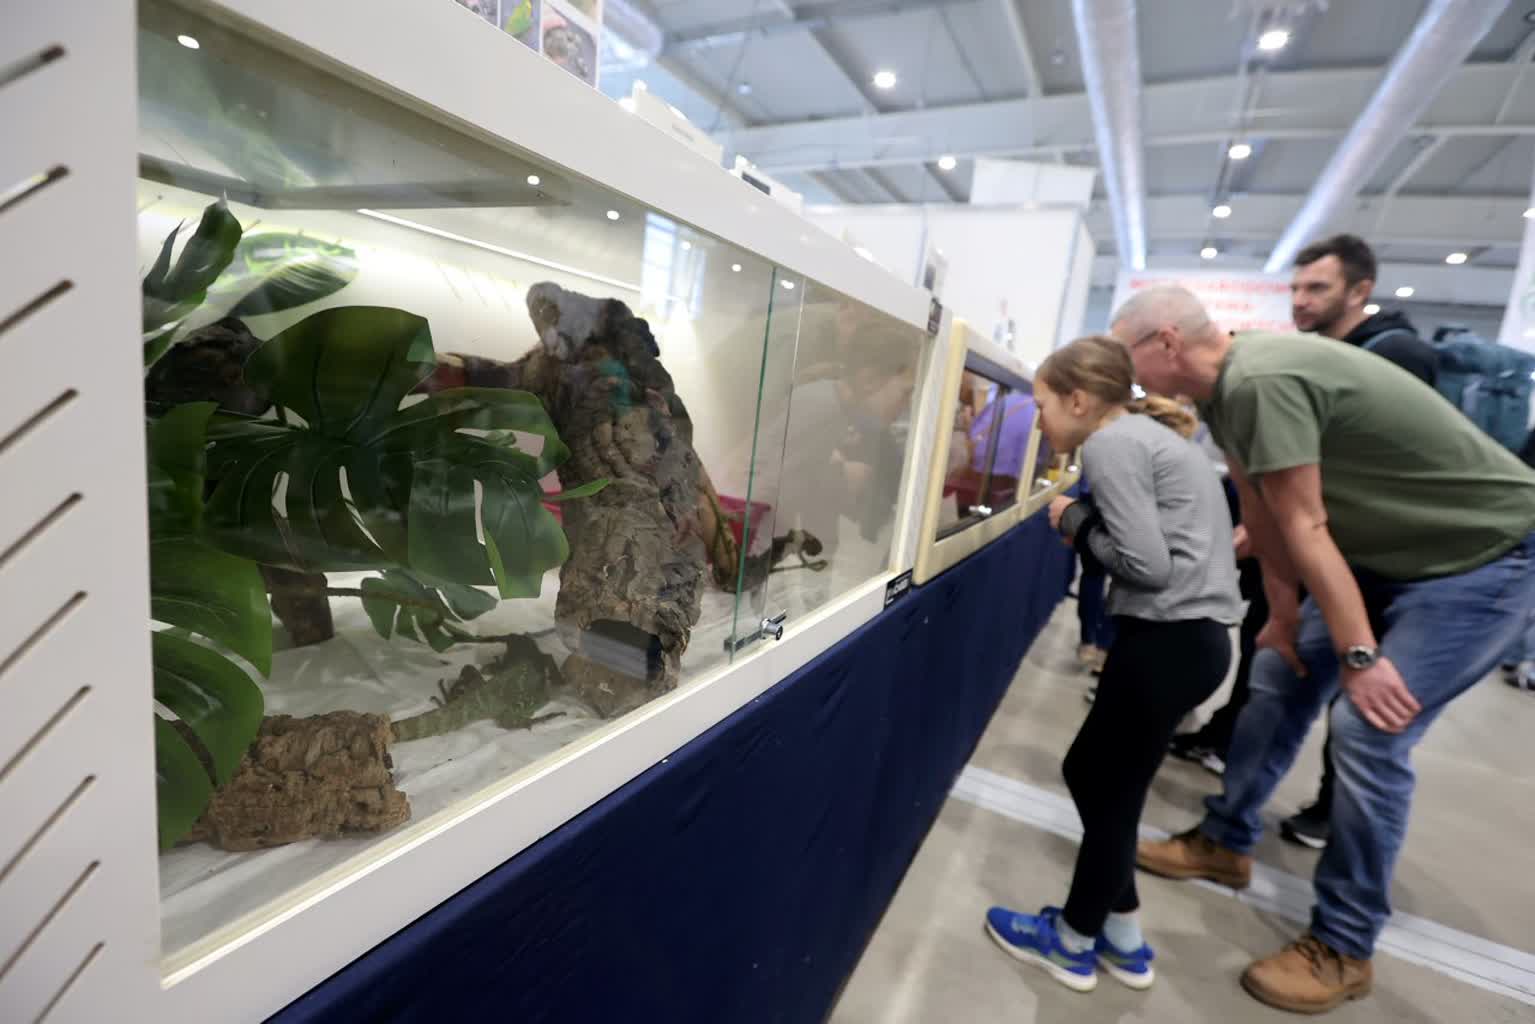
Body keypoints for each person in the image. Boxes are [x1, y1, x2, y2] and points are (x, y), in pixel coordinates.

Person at [1117, 286, 1535, 1015]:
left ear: (1166, 343)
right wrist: (1281, 621)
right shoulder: (1223, 395)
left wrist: (1359, 656)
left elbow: (1306, 525)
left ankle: (1344, 946)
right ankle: (1225, 841)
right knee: (1276, 672)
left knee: (1369, 727)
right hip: (1383, 554)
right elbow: (1263, 517)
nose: (1131, 381)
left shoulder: (1260, 379)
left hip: (1482, 555)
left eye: (1129, 362)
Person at [984, 336, 1240, 995]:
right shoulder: (1151, 439)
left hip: (1167, 640)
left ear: (1078, 400)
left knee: (1108, 791)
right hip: (1188, 643)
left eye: (1043, 405)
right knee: (1096, 779)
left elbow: (1145, 565)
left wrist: (1073, 520)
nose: (1038, 422)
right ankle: (1122, 937)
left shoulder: (1112, 444)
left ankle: (1072, 943)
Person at [1179, 233, 1439, 847]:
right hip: (1315, 546)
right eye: (1295, 287)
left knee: (1363, 708)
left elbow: (1361, 472)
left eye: (1316, 287)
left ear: (1360, 290)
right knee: (1277, 666)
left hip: (1375, 556)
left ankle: (1330, 814)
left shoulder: (1395, 354)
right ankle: (1228, 802)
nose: (1299, 299)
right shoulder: (1309, 357)